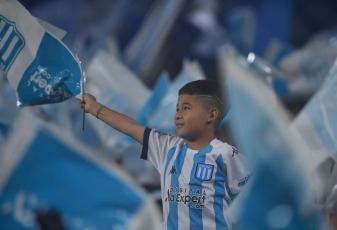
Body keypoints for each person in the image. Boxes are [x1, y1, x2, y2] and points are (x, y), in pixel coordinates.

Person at [80, 79, 252, 230]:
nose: (178, 115)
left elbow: (254, 199)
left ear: (211, 115)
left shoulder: (227, 155)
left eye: (186, 108)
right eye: (177, 108)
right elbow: (131, 127)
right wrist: (94, 107)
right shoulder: (167, 147)